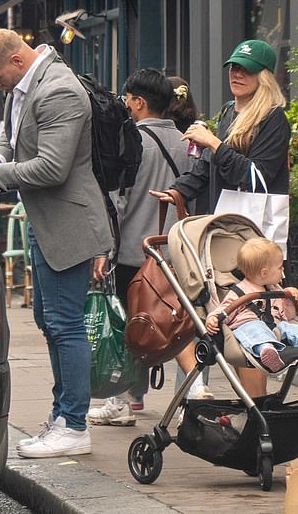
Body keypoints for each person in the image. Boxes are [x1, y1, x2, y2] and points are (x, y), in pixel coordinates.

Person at [0, 28, 113, 458]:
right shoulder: (24, 85)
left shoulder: (59, 91)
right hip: (47, 221)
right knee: (50, 321)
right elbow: (11, 143)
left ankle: (73, 424)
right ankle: (62, 415)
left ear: (16, 60)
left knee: (64, 323)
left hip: (69, 222)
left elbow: (52, 168)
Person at [150, 39, 290, 397]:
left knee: (248, 317)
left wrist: (215, 143)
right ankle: (198, 393)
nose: (237, 74)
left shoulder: (274, 118)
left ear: (264, 76)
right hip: (223, 231)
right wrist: (178, 190)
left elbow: (256, 177)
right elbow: (207, 168)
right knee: (198, 308)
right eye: (233, 68)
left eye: (246, 69)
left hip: (253, 236)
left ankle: (256, 407)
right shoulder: (230, 112)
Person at [87, 69, 198, 426]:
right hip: (179, 251)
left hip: (136, 251)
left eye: (128, 99)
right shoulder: (189, 143)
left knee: (131, 327)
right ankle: (189, 400)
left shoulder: (130, 140)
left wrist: (104, 245)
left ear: (138, 101)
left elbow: (118, 200)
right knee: (183, 326)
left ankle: (123, 402)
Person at [205, 238, 298, 372]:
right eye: (280, 268)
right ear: (264, 273)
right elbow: (224, 309)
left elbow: (287, 316)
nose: (283, 271)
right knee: (256, 328)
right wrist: (213, 319)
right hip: (247, 328)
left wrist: (288, 298)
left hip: (274, 327)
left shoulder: (273, 289)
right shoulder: (238, 292)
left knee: (291, 327)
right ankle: (266, 351)